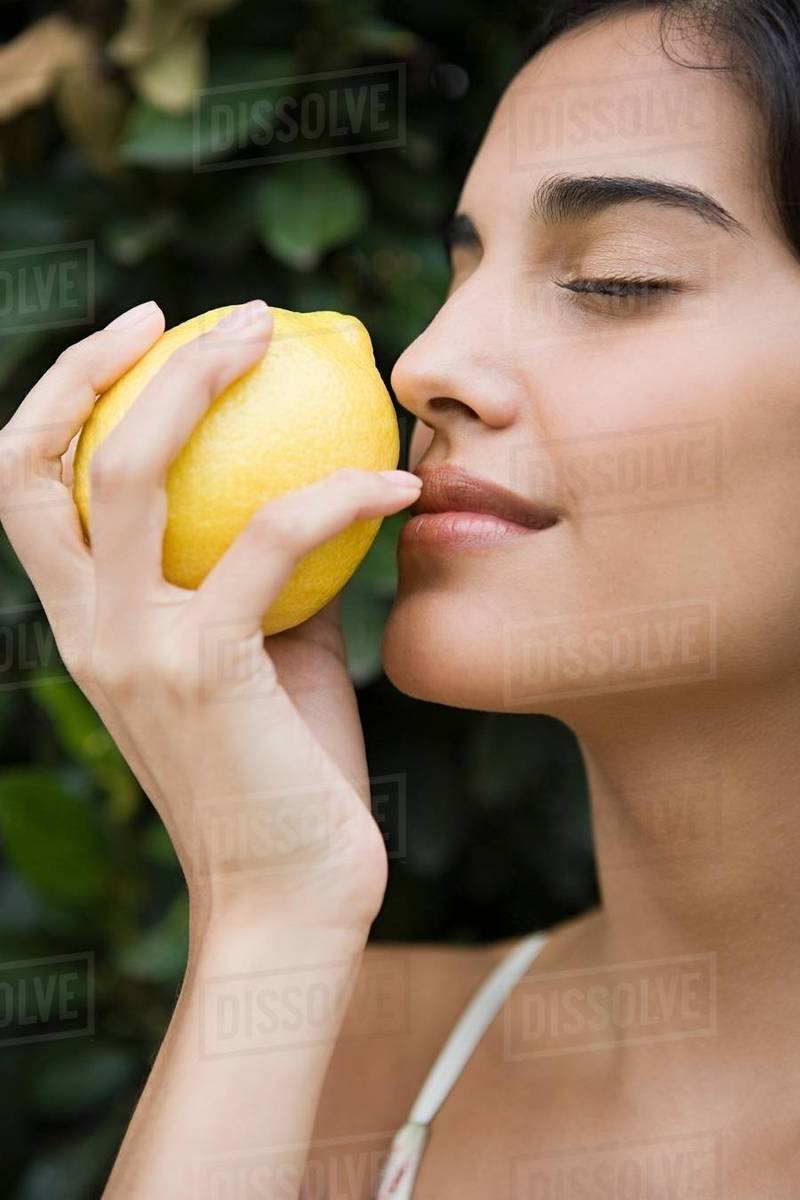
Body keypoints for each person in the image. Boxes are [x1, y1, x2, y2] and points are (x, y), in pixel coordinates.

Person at [2, 0, 799, 1195]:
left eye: (613, 278)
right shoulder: (343, 1069)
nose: (420, 361)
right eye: (459, 270)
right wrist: (269, 904)